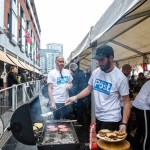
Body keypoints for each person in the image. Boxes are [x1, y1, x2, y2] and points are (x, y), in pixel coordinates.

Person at [65, 45, 131, 134]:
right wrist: (75, 97)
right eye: (98, 60)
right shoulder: (96, 72)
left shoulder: (120, 77)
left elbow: (127, 102)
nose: (99, 63)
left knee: (106, 146)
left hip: (112, 119)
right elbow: (89, 89)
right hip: (98, 116)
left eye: (102, 60)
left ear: (111, 58)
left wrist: (124, 123)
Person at [132, 80, 150, 150]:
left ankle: (135, 147)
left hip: (138, 106)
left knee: (140, 129)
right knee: (147, 133)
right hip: (143, 107)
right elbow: (149, 101)